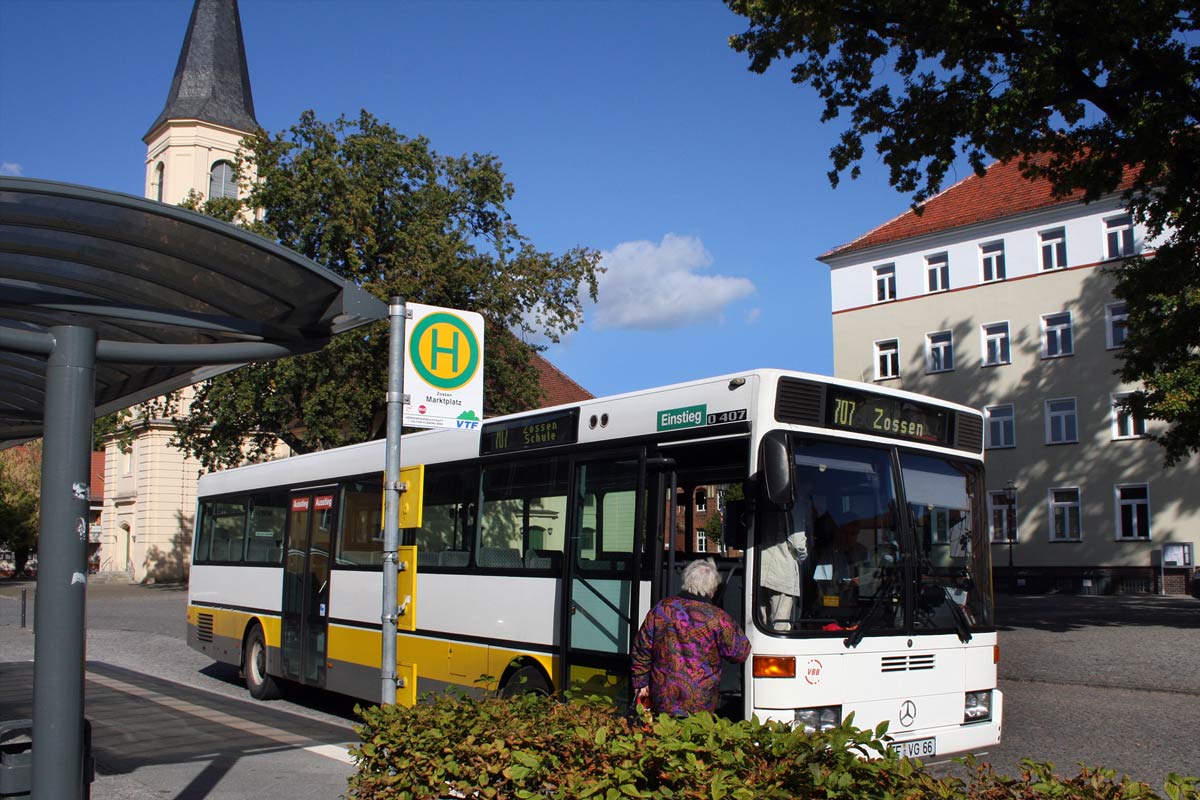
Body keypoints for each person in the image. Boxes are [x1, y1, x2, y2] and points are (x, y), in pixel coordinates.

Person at [631, 558, 750, 716]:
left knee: (664, 736)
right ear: (712, 587)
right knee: (695, 736)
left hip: (663, 697)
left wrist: (641, 683)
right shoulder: (718, 618)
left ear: (686, 581)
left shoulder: (662, 609)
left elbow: (641, 648)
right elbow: (740, 653)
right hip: (701, 701)